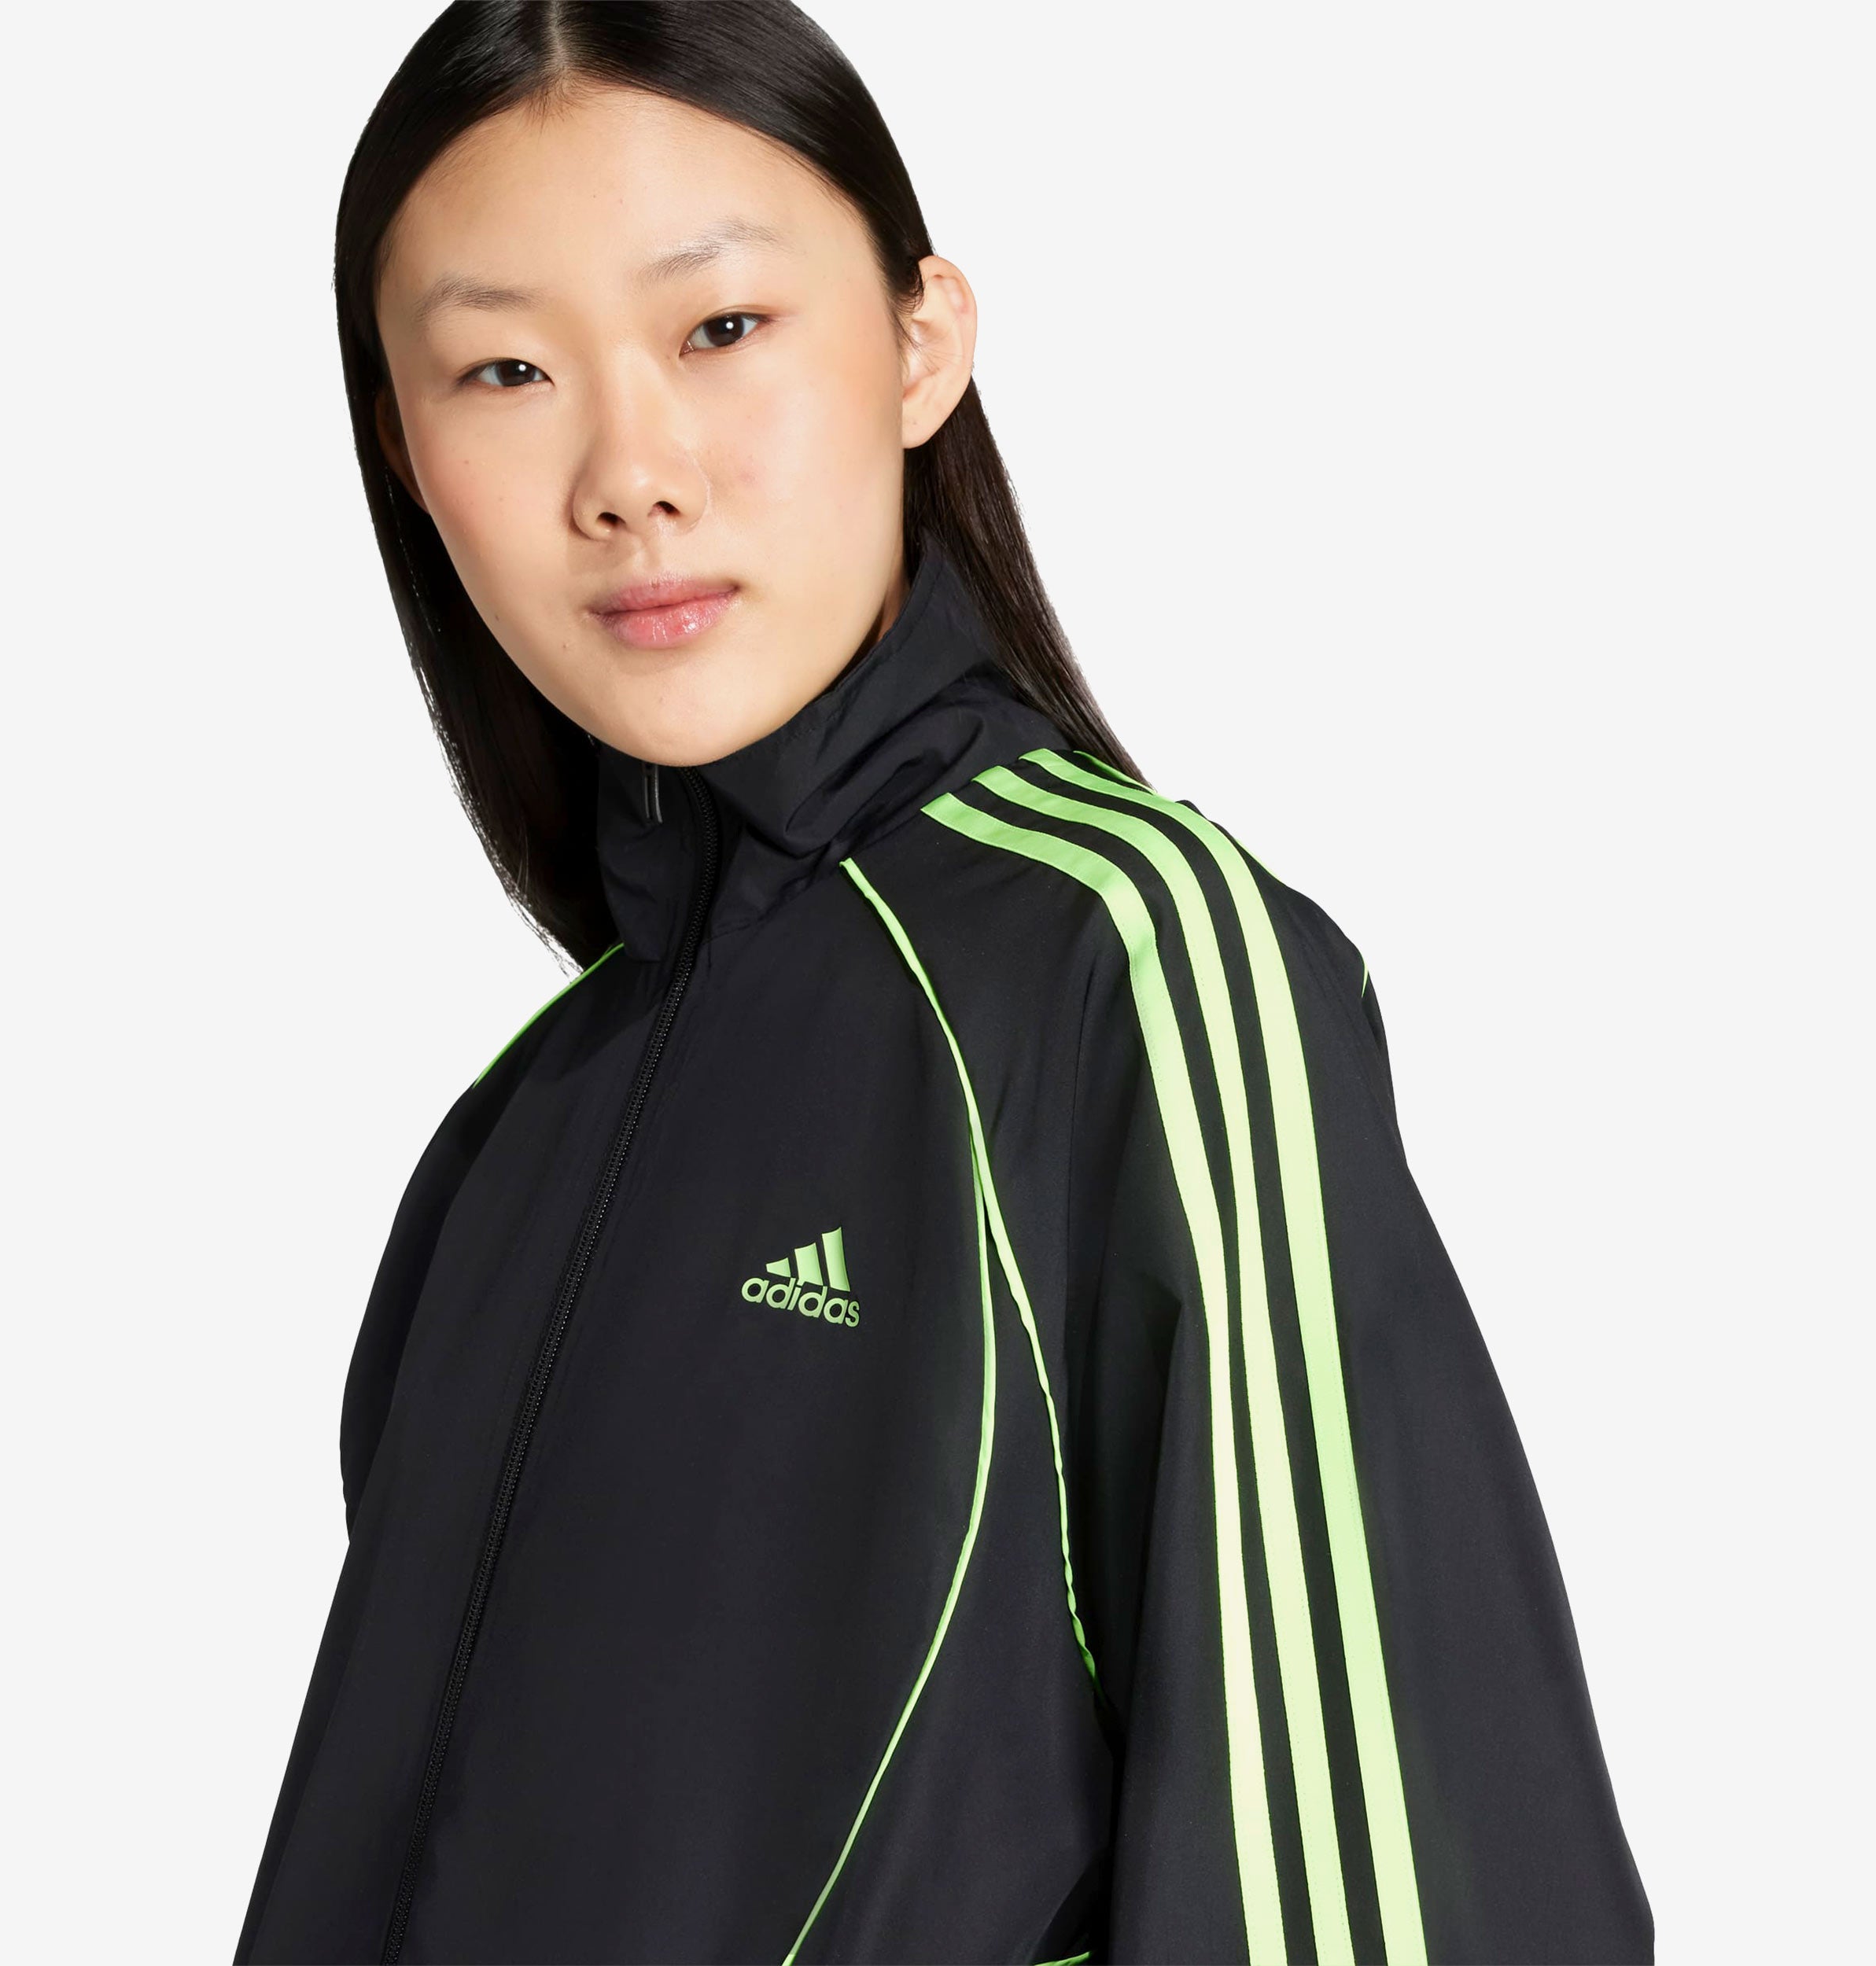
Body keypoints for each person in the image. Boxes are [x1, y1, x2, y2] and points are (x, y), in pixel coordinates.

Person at [236, 5, 1652, 1961]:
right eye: (503, 369)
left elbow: (1389, 1897)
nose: (628, 473)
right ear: (405, 447)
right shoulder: (516, 1129)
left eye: (721, 327)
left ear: (920, 345)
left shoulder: (1136, 967)